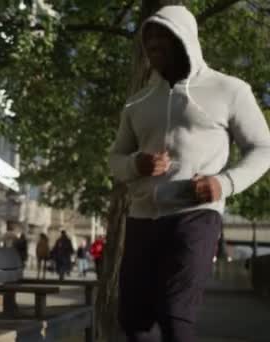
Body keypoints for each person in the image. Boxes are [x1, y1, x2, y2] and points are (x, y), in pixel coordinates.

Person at [109, 5, 270, 342]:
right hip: (141, 217)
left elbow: (263, 148)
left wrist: (224, 183)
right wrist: (136, 163)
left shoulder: (229, 90)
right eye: (148, 39)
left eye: (161, 37)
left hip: (194, 216)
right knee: (132, 320)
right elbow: (115, 160)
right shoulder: (137, 104)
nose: (152, 44)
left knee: (175, 314)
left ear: (184, 40)